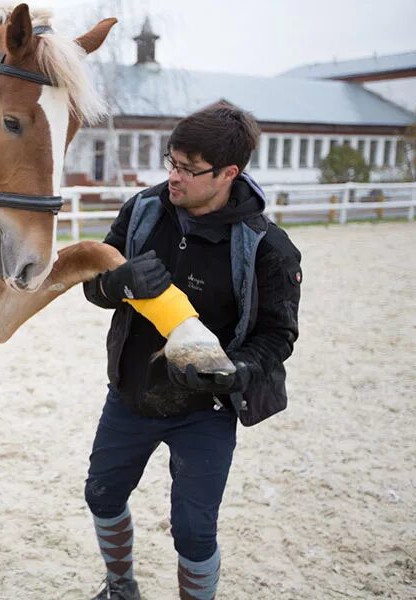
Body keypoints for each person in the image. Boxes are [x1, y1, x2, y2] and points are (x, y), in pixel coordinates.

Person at [83, 102, 302, 600]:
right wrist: (115, 283)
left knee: (194, 530)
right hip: (131, 393)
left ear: (229, 173)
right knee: (101, 494)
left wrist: (238, 370)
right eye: (171, 162)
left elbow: (278, 336)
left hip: (206, 410)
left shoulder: (268, 248)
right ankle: (121, 589)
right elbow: (93, 289)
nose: (173, 177)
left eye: (187, 168)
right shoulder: (142, 212)